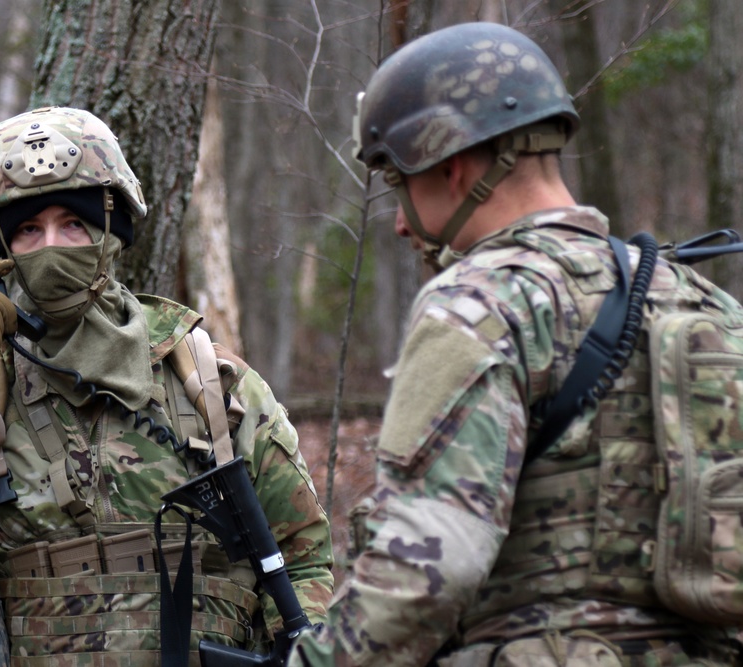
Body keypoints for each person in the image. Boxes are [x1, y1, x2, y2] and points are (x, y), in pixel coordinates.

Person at [288, 21, 743, 667]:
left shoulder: (480, 302)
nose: (397, 221)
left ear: (452, 166)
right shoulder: (706, 303)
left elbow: (425, 568)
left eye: (399, 185)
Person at [0, 106, 334, 666]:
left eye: (73, 224)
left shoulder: (210, 382)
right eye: (27, 230)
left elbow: (304, 559)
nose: (52, 247)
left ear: (112, 230)